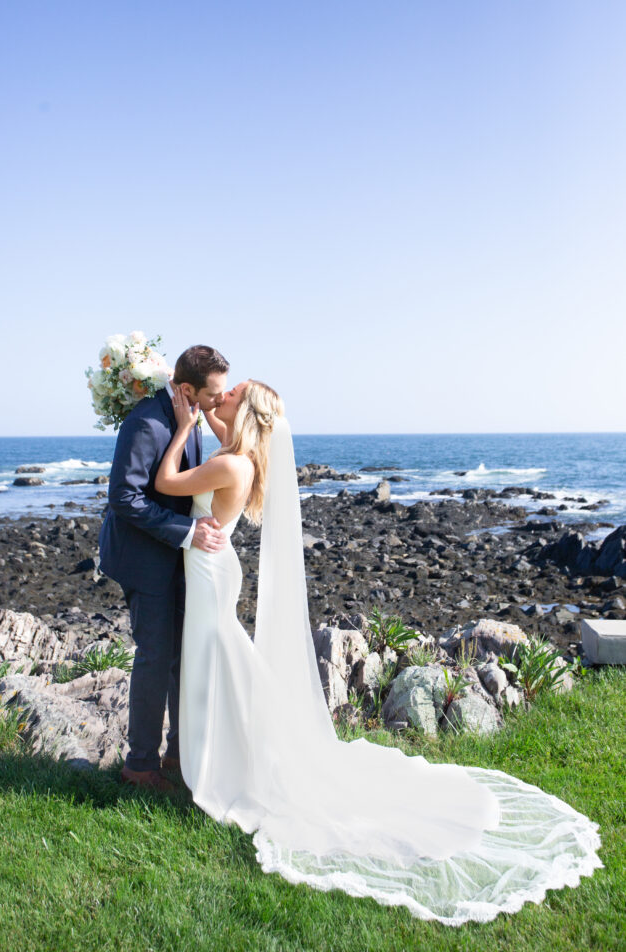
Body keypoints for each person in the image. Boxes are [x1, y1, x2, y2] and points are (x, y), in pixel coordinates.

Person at [153, 381, 603, 925]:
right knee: (220, 658)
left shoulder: (232, 465)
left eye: (232, 394)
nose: (220, 398)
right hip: (214, 568)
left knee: (218, 657)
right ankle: (229, 749)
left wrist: (180, 428)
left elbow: (165, 480)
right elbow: (228, 434)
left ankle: (225, 757)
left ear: (243, 413)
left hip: (210, 569)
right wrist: (204, 413)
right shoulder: (241, 456)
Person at [99, 344, 230, 792]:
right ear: (189, 388)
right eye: (214, 394)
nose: (219, 402)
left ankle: (178, 753)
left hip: (174, 558)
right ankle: (140, 767)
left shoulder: (186, 412)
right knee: (155, 659)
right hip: (143, 558)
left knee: (181, 656)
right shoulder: (146, 422)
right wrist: (187, 532)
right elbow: (124, 497)